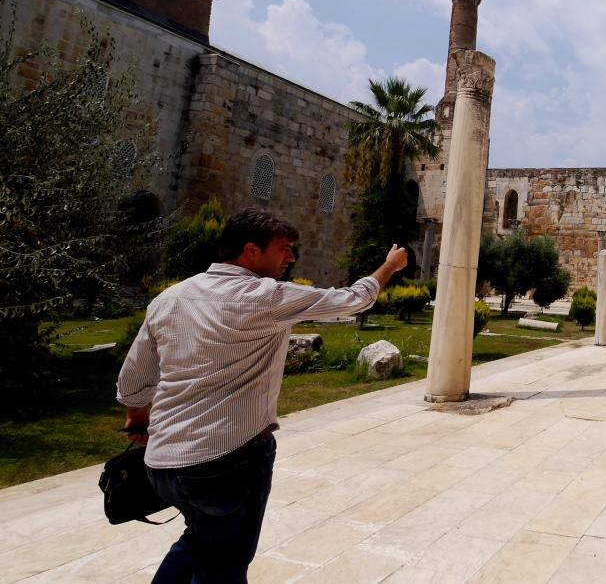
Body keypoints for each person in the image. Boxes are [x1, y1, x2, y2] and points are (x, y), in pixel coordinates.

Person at [116, 208, 408, 583]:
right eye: (284, 248)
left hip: (163, 464)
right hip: (225, 463)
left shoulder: (169, 299)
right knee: (224, 566)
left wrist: (138, 418)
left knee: (200, 540)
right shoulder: (265, 297)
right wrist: (388, 267)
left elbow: (133, 379)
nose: (291, 257)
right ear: (251, 250)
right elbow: (353, 299)